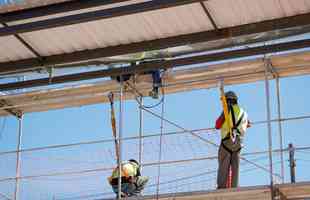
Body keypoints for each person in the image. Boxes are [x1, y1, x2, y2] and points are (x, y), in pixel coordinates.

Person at [215, 91, 250, 189]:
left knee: (223, 166)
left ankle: (221, 187)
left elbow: (217, 125)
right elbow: (248, 124)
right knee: (236, 168)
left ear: (228, 101)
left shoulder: (227, 110)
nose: (223, 104)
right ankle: (234, 189)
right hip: (238, 143)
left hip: (227, 141)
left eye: (224, 102)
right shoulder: (244, 112)